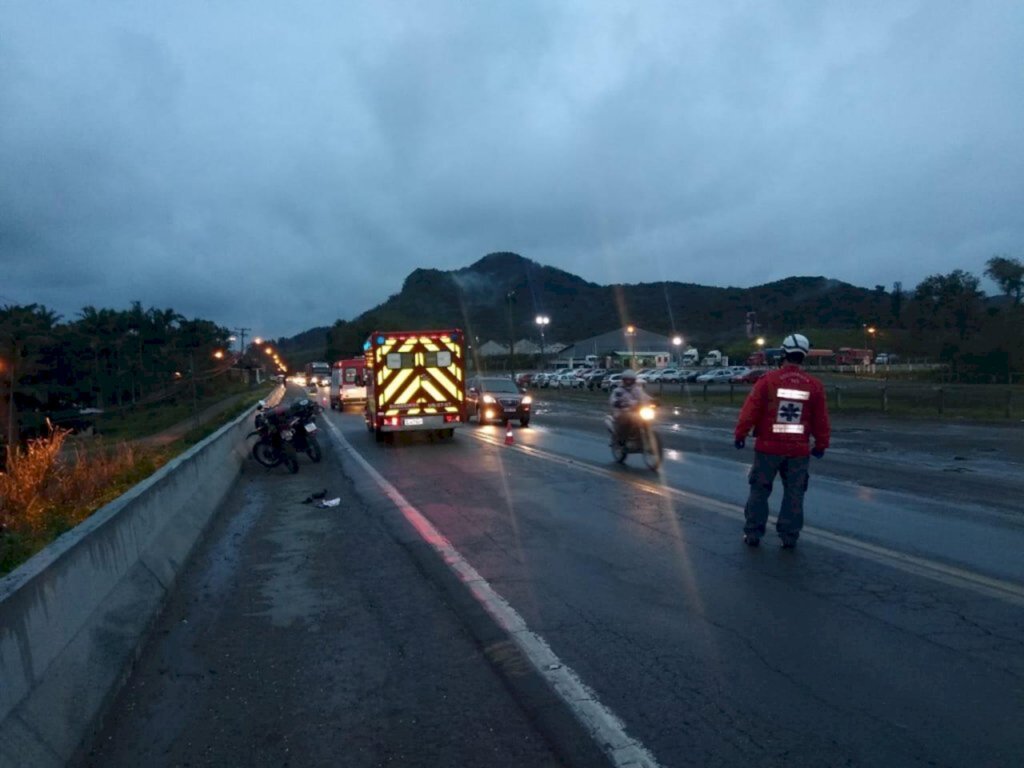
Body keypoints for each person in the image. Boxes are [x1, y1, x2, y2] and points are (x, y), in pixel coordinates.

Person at [733, 333, 830, 549]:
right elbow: (821, 419)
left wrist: (740, 434)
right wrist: (821, 444)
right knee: (794, 494)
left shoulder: (767, 381)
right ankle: (789, 536)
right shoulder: (814, 385)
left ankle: (753, 534)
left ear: (783, 353)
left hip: (768, 447)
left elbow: (750, 411)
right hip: (798, 451)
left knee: (759, 490)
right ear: (803, 356)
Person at [609, 369, 653, 444]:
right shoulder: (618, 390)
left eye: (630, 380)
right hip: (622, 412)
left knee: (645, 419)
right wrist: (617, 403)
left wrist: (653, 401)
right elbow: (613, 399)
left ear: (634, 380)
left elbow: (644, 396)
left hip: (636, 411)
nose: (629, 382)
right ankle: (622, 439)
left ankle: (642, 436)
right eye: (627, 380)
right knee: (627, 419)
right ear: (623, 380)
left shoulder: (637, 389)